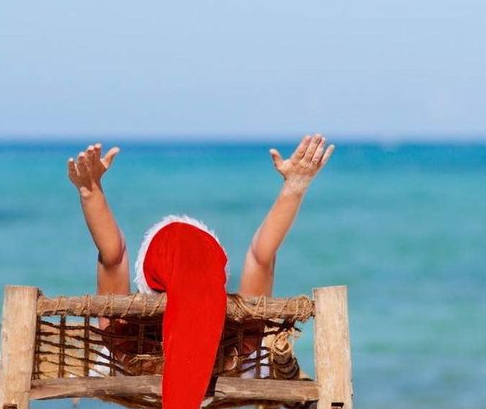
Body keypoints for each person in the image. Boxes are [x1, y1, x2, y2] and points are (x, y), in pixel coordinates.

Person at [67, 135, 335, 365]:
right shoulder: (237, 346)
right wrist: (294, 188)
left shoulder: (126, 343)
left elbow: (113, 258)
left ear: (146, 284)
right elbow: (260, 258)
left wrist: (90, 192)